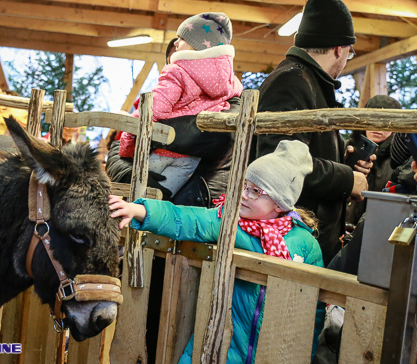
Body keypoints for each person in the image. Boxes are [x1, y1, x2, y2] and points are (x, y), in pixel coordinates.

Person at [109, 140, 324, 364]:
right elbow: (187, 219)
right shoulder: (229, 222)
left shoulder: (305, 245)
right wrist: (140, 210)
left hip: (273, 354)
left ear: (280, 203)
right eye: (244, 185)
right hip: (222, 349)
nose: (244, 194)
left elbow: (313, 310)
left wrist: (303, 355)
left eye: (256, 191)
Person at [254, 0, 371, 266]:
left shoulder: (307, 81)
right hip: (291, 242)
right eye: (349, 53)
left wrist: (346, 160)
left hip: (304, 238)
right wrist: (346, 179)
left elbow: (304, 150)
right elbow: (280, 164)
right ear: (339, 48)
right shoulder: (292, 81)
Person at [118, 12, 243, 198]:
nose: (176, 43)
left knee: (135, 197)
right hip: (190, 162)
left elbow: (154, 107)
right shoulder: (231, 85)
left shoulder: (177, 72)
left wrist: (128, 137)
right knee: (161, 199)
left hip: (163, 152)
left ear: (199, 44)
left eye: (181, 38)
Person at [344, 95, 401, 228]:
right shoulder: (347, 149)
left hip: (380, 231)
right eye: (372, 119)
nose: (378, 127)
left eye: (386, 122)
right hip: (340, 230)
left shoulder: (401, 160)